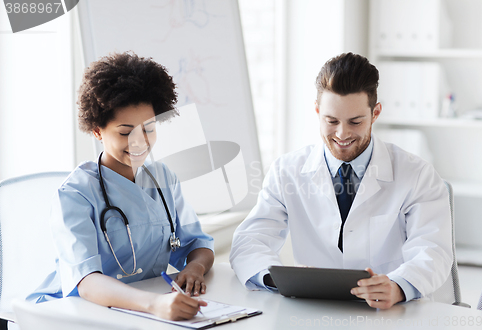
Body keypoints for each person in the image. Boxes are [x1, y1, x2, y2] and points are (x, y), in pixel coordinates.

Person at [230, 52, 452, 310]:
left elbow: (434, 250)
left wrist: (399, 286)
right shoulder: (286, 171)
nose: (342, 134)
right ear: (317, 110)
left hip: (392, 312)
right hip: (314, 310)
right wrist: (277, 279)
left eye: (355, 122)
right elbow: (249, 241)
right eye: (331, 120)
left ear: (375, 113)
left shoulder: (417, 174)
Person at [27, 52, 214, 321]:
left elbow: (199, 243)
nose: (140, 142)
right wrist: (154, 305)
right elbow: (87, 281)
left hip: (140, 309)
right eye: (125, 132)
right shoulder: (76, 194)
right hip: (73, 314)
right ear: (97, 131)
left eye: (149, 129)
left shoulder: (163, 178)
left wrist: (195, 268)